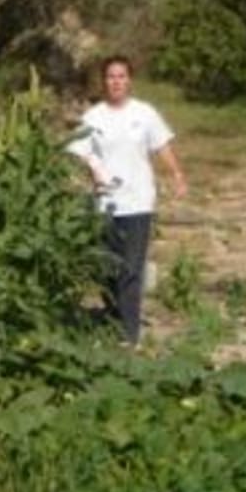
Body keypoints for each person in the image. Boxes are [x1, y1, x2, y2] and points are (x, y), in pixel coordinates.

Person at [67, 55, 188, 345]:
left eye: (121, 76)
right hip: (106, 203)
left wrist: (177, 175)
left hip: (137, 202)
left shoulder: (144, 114)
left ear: (129, 80)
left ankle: (129, 334)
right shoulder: (94, 117)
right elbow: (78, 149)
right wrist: (94, 169)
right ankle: (112, 320)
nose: (116, 82)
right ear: (104, 81)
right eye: (111, 77)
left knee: (132, 268)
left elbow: (161, 145)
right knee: (108, 268)